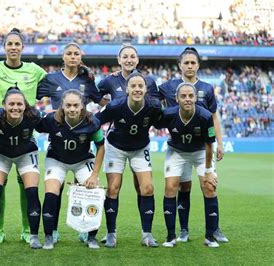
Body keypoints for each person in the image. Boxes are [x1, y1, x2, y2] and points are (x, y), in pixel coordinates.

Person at [0, 28, 47, 244]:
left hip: (27, 137)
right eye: (9, 44)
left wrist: (81, 72)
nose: (13, 47)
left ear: (22, 47)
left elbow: (56, 83)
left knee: (27, 188)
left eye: (17, 44)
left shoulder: (35, 70)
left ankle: (28, 231)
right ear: (4, 47)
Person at [158, 47, 228, 243]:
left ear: (198, 65)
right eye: (186, 63)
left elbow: (214, 117)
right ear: (180, 65)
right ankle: (183, 230)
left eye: (193, 63)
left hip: (201, 146)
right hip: (177, 146)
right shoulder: (168, 86)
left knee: (209, 185)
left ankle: (214, 230)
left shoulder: (206, 88)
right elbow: (148, 92)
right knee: (183, 187)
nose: (189, 66)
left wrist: (219, 143)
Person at [36, 42, 104, 243]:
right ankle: (51, 233)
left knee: (91, 190)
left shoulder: (88, 80)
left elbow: (101, 102)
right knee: (53, 190)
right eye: (69, 53)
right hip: (58, 142)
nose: (73, 56)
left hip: (82, 154)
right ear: (63, 57)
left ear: (80, 57)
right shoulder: (50, 79)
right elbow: (31, 95)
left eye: (76, 53)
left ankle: (87, 231)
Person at [97, 44, 159, 243]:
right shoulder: (112, 92)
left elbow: (160, 115)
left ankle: (147, 235)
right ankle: (111, 234)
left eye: (133, 56)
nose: (138, 89)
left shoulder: (151, 89)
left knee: (147, 188)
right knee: (113, 188)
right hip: (116, 146)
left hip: (140, 146)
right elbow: (96, 115)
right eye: (125, 56)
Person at [155, 83, 220, 248]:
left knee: (209, 187)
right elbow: (154, 122)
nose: (187, 99)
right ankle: (171, 237)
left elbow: (209, 145)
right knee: (170, 188)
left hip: (200, 153)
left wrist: (207, 171)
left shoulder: (205, 116)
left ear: (196, 98)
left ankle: (210, 237)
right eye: (183, 96)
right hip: (176, 151)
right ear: (176, 99)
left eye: (191, 96)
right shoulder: (169, 114)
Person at [0, 87, 43, 249]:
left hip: (26, 153)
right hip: (0, 153)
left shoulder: (34, 116)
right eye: (11, 104)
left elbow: (53, 122)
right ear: (3, 105)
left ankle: (34, 236)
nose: (16, 107)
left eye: (19, 104)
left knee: (31, 191)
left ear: (25, 106)